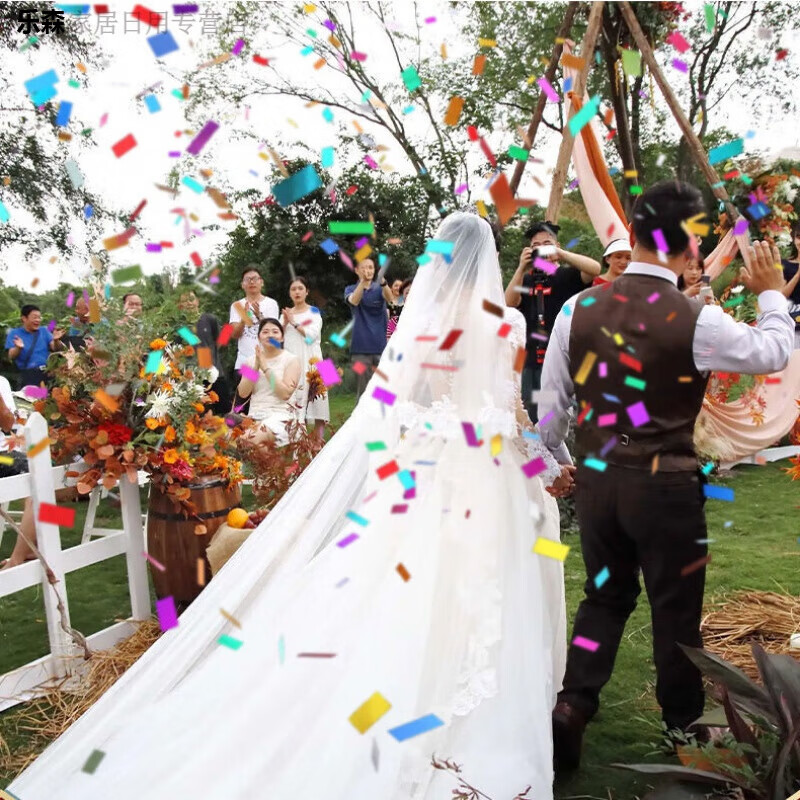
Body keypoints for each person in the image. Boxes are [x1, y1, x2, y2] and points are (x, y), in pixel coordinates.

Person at [10, 212, 575, 800]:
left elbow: (394, 415)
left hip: (423, 477)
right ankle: (447, 701)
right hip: (484, 479)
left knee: (402, 589)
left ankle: (408, 688)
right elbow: (512, 414)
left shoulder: (419, 325)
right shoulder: (503, 324)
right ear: (486, 262)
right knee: (468, 588)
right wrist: (545, 464)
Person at [538, 180, 793, 772]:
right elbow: (773, 352)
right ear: (692, 247)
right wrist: (771, 293)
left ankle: (572, 707)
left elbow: (551, 410)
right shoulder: (698, 320)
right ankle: (684, 727)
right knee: (676, 611)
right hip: (666, 490)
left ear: (631, 233)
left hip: (599, 482)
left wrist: (559, 460)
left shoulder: (578, 310)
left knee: (603, 597)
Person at [504, 222, 601, 423]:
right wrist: (521, 268)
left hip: (562, 359)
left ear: (557, 245)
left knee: (559, 414)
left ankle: (558, 441)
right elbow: (509, 303)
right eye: (536, 245)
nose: (541, 248)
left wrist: (561, 254)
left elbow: (595, 268)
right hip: (532, 362)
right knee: (535, 414)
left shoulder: (568, 275)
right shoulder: (527, 280)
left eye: (546, 243)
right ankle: (540, 440)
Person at [236, 318, 301, 447]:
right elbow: (243, 393)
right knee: (230, 437)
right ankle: (273, 462)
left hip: (281, 417)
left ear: (282, 338)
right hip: (254, 416)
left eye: (275, 332)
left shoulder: (291, 360)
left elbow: (284, 394)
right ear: (259, 338)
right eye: (265, 332)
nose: (270, 335)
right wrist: (255, 367)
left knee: (248, 438)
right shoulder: (250, 361)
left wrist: (265, 367)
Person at [281, 277, 330, 441]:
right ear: (289, 293)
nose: (297, 292)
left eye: (300, 288)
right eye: (293, 289)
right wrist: (284, 323)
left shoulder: (314, 311)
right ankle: (298, 442)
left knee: (319, 404)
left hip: (314, 361)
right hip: (293, 363)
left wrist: (294, 323)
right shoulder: (286, 314)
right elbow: (277, 339)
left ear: (307, 291)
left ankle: (318, 442)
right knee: (295, 404)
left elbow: (311, 336)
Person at [0, 375, 37, 570]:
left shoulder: (1, 382)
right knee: (37, 476)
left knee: (38, 471)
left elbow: (8, 424)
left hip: (2, 455)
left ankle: (30, 547)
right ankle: (18, 557)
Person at [344, 258, 393, 398]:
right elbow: (354, 301)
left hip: (382, 348)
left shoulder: (380, 288)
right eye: (364, 267)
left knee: (384, 391)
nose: (368, 270)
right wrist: (362, 283)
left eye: (371, 267)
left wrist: (383, 282)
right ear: (356, 270)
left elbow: (390, 299)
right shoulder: (350, 289)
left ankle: (385, 413)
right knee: (363, 392)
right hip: (360, 350)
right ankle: (360, 413)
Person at [176, 291, 232, 415]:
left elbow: (220, 340)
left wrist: (211, 355)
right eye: (185, 300)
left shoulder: (209, 319)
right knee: (202, 415)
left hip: (214, 372)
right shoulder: (179, 326)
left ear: (197, 301)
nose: (189, 303)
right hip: (193, 377)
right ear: (180, 305)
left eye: (191, 299)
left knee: (225, 412)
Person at [229, 266, 280, 372]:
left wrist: (259, 316)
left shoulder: (271, 304)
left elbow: (275, 333)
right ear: (242, 285)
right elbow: (234, 335)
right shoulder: (237, 305)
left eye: (255, 279)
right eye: (248, 279)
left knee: (267, 383)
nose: (252, 282)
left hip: (267, 363)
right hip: (244, 363)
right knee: (246, 383)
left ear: (262, 282)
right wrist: (243, 319)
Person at [5, 304, 65, 389]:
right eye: (34, 317)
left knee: (53, 395)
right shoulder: (14, 333)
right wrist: (18, 348)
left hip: (48, 372)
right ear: (24, 318)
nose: (38, 320)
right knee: (33, 396)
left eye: (39, 317)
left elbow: (56, 348)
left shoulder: (44, 331)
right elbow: (11, 355)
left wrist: (56, 340)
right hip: (29, 375)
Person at [781, 219, 800, 347]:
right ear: (793, 239)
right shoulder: (784, 265)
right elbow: (781, 295)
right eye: (799, 237)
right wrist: (798, 275)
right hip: (793, 326)